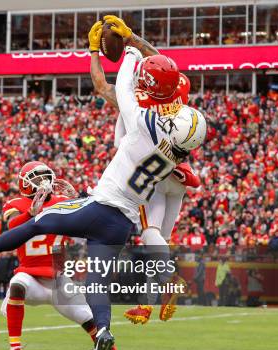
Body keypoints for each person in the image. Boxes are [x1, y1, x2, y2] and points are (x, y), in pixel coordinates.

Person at [0, 40, 207, 350]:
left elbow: (126, 91)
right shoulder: (175, 152)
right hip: (122, 223)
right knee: (97, 285)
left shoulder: (143, 126)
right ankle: (103, 332)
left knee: (37, 222)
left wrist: (129, 51)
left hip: (101, 206)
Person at [88, 18, 200, 324]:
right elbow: (166, 64)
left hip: (149, 173)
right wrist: (133, 39)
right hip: (178, 173)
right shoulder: (180, 88)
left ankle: (170, 280)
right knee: (159, 240)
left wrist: (94, 52)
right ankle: (148, 304)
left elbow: (101, 85)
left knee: (150, 233)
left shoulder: (135, 103)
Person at [0, 161, 139, 350]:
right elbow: (11, 227)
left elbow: (93, 217)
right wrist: (30, 214)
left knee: (92, 322)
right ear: (24, 183)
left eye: (45, 177)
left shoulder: (62, 202)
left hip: (58, 280)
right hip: (30, 275)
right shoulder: (15, 204)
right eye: (37, 179)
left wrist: (80, 199)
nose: (43, 183)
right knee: (17, 284)